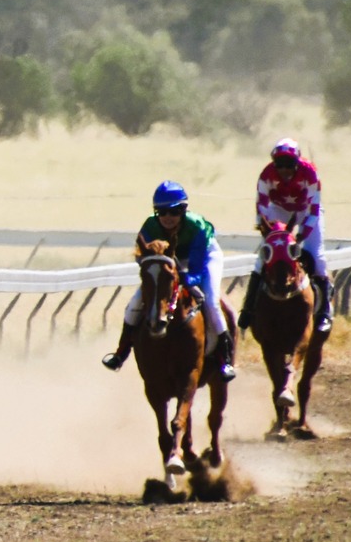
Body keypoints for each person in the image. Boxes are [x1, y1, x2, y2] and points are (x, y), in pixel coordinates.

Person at [102, 181, 236, 380]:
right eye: (162, 212)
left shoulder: (196, 226)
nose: (168, 217)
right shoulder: (149, 227)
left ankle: (224, 360)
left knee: (211, 300)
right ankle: (120, 353)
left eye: (174, 211)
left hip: (204, 256)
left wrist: (185, 278)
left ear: (183, 210)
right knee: (134, 304)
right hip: (168, 261)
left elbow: (197, 270)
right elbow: (143, 258)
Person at [242, 138, 331, 335]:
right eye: (279, 165)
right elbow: (262, 208)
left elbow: (314, 210)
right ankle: (248, 309)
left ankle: (324, 312)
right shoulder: (266, 176)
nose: (284, 169)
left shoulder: (310, 173)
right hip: (279, 210)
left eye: (289, 165)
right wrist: (268, 234)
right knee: (264, 257)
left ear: (297, 163)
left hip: (306, 210)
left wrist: (300, 237)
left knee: (316, 256)